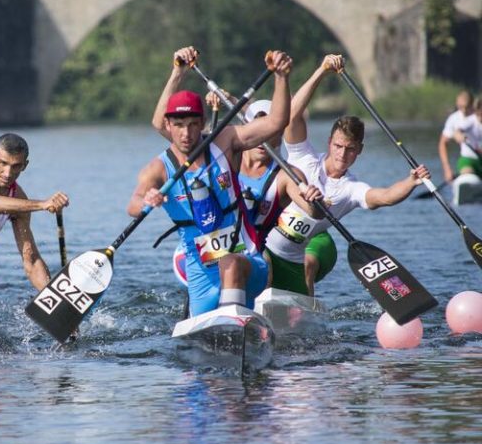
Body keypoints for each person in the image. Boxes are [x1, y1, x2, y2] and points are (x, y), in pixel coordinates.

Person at [128, 50, 320, 317]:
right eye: (179, 125)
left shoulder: (225, 141)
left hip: (247, 260)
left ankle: (232, 325)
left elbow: (276, 123)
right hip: (200, 272)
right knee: (200, 325)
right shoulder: (159, 168)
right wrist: (148, 200)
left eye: (193, 125)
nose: (186, 133)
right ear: (168, 126)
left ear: (202, 123)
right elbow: (133, 205)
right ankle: (226, 321)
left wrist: (281, 77)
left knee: (231, 262)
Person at [263, 54, 432, 296]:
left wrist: (412, 181)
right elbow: (291, 117)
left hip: (298, 256)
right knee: (262, 264)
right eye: (338, 146)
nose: (342, 154)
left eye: (350, 149)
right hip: (266, 247)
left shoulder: (352, 189)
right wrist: (321, 71)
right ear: (330, 142)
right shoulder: (303, 157)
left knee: (306, 276)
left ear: (359, 150)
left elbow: (385, 197)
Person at [0, 134, 69, 291]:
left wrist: (53, 295)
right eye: (2, 163)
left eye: (16, 166)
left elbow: (31, 259)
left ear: (25, 165)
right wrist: (43, 204)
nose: (8, 173)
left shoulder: (19, 200)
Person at [438, 90, 479, 182]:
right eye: (460, 107)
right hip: (468, 159)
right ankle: (466, 180)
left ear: (472, 104)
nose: (464, 111)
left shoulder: (478, 116)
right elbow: (443, 143)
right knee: (467, 172)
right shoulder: (453, 118)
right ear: (457, 104)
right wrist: (447, 169)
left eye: (467, 107)